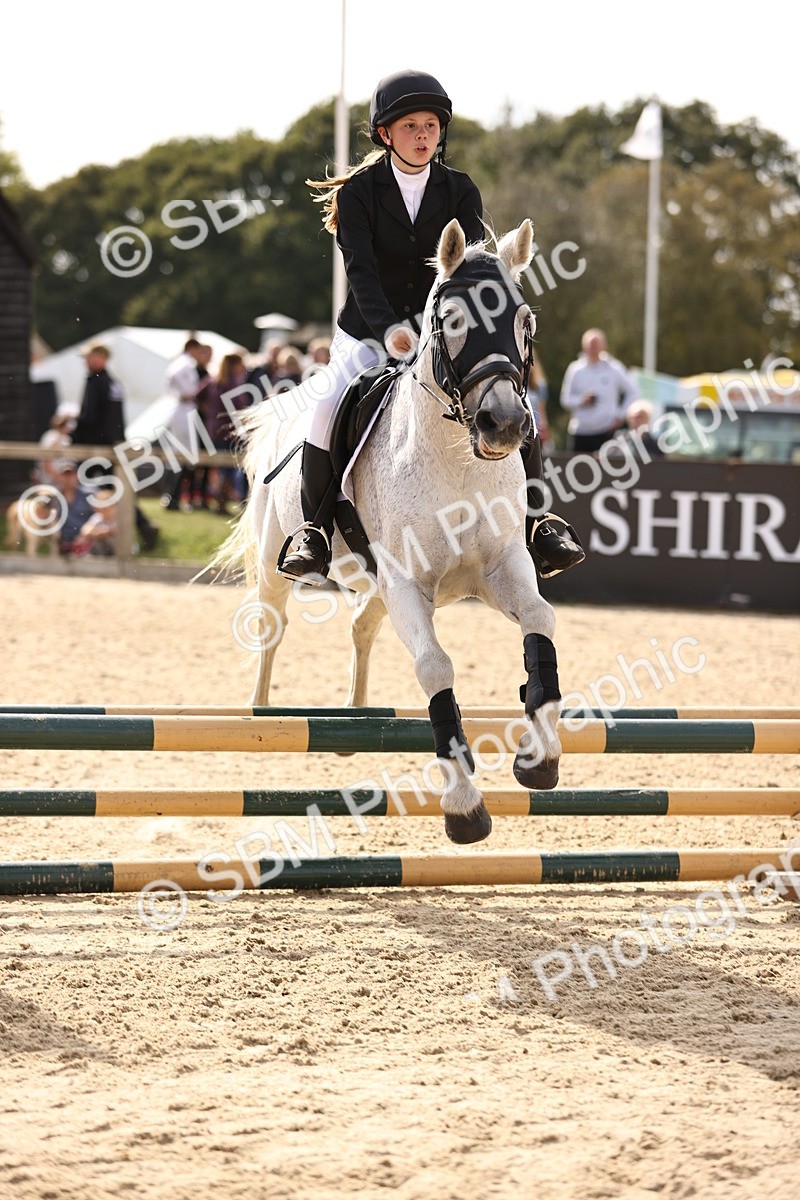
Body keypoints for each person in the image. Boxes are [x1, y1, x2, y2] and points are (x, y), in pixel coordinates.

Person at [279, 68, 583, 582]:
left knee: (510, 400)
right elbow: (361, 273)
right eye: (410, 127)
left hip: (448, 331)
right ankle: (312, 530)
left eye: (430, 127)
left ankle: (538, 523)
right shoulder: (358, 193)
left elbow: (466, 272)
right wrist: (389, 331)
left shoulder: (461, 190)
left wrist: (434, 329)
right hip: (369, 330)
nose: (422, 137)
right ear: (385, 134)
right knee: (326, 408)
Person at [72, 344, 159, 550]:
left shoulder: (96, 383)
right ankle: (142, 525)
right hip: (113, 444)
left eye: (90, 357)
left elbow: (89, 416)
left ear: (101, 357)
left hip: (95, 448)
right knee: (117, 490)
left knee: (95, 489)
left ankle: (83, 533)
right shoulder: (113, 383)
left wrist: (74, 437)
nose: (86, 362)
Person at [560, 328, 638, 453]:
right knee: (578, 470)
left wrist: (620, 416)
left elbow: (633, 392)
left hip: (606, 431)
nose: (593, 349)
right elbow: (565, 399)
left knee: (606, 471)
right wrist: (581, 400)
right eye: (590, 346)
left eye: (596, 345)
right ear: (584, 347)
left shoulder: (614, 368)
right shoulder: (575, 369)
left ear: (604, 346)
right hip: (580, 431)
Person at [162, 338, 206, 511]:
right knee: (183, 455)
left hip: (183, 408)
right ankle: (173, 496)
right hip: (184, 408)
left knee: (182, 455)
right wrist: (189, 392)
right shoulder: (185, 363)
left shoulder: (183, 362)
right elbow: (175, 376)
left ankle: (173, 496)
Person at [605, 399, 665, 464]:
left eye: (641, 417)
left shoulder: (656, 445)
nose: (638, 421)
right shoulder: (619, 439)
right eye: (635, 417)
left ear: (648, 419)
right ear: (629, 419)